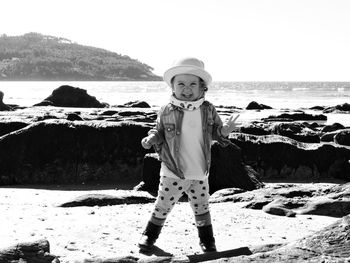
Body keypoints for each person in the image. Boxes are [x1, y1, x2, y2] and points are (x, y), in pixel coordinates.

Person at [138, 57, 239, 253]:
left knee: (201, 207)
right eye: (181, 84)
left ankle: (207, 241)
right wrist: (150, 139)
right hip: (173, 170)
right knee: (163, 204)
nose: (187, 88)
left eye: (193, 84)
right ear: (173, 87)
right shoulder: (166, 109)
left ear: (202, 88)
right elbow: (158, 131)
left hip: (200, 171)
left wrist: (225, 130)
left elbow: (216, 133)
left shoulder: (208, 109)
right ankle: (149, 235)